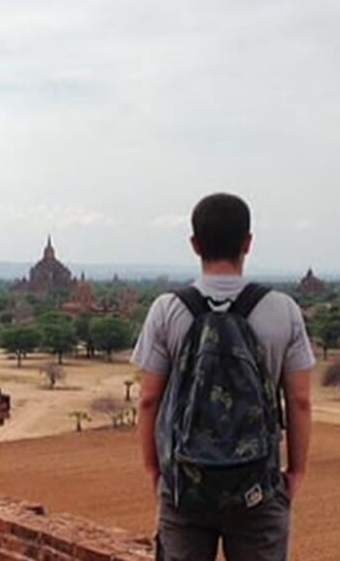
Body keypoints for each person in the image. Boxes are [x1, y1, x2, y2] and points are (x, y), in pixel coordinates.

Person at [132, 192, 315, 561]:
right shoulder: (283, 310)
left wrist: (156, 470)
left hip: (185, 484)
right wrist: (293, 474)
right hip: (257, 486)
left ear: (194, 244)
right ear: (248, 242)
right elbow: (299, 402)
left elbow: (148, 399)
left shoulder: (167, 310)